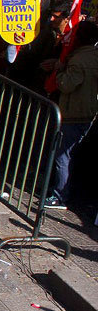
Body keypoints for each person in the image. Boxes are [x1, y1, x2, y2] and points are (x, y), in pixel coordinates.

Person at [45, 21, 98, 210]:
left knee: (62, 155)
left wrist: (59, 73)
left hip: (74, 112)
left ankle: (60, 196)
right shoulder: (93, 56)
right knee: (71, 154)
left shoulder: (78, 60)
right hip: (89, 113)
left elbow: (67, 85)